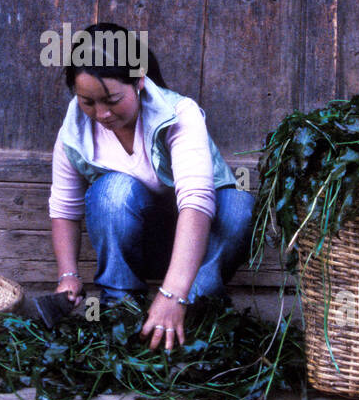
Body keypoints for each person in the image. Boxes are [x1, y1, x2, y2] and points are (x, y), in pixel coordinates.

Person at [47, 22, 255, 352]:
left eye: (112, 99)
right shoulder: (74, 132)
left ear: (139, 80)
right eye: (87, 101)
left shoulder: (177, 114)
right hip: (139, 247)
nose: (101, 114)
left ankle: (197, 305)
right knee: (111, 191)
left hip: (194, 248)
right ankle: (121, 310)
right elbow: (64, 208)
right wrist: (68, 276)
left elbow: (196, 201)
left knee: (238, 204)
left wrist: (174, 293)